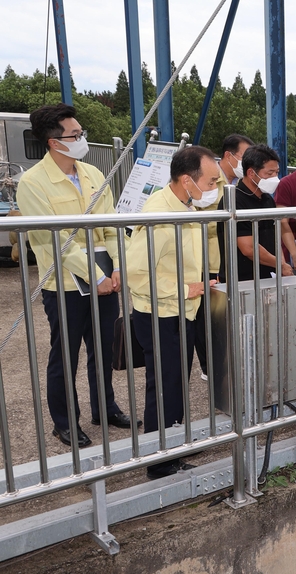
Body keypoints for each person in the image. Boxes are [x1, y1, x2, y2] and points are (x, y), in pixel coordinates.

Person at [17, 103, 136, 447]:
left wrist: (117, 267)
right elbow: (56, 242)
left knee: (103, 349)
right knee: (64, 355)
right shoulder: (33, 183)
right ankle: (65, 422)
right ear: (54, 142)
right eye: (76, 135)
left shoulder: (92, 175)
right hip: (65, 286)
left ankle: (106, 407)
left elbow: (111, 226)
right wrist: (94, 275)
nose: (82, 139)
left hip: (105, 279)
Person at [125, 145, 219, 479]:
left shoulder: (184, 203)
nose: (215, 189)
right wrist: (184, 289)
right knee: (164, 386)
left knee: (177, 381)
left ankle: (173, 443)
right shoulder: (159, 215)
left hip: (182, 311)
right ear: (186, 180)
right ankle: (160, 461)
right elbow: (137, 275)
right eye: (210, 182)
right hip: (162, 313)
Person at [194, 133, 252, 381]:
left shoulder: (241, 184)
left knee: (226, 315)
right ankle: (209, 366)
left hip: (229, 261)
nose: (246, 163)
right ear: (229, 155)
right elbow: (191, 222)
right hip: (207, 261)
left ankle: (228, 362)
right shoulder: (206, 180)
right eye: (243, 157)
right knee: (205, 318)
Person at [218, 144, 296, 281]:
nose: (274, 177)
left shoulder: (267, 199)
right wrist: (280, 264)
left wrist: (281, 265)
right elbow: (248, 248)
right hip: (241, 279)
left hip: (269, 276)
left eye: (277, 172)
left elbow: (275, 238)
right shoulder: (234, 201)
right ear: (251, 173)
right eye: (269, 173)